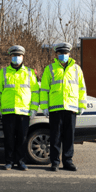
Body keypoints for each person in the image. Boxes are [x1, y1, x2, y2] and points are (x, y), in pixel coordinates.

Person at [40, 42, 87, 172]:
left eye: (65, 53)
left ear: (69, 54)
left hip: (71, 109)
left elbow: (82, 89)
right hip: (55, 109)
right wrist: (44, 106)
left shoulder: (76, 69)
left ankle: (67, 161)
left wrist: (81, 105)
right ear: (57, 54)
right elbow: (44, 89)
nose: (63, 55)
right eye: (61, 53)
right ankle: (54, 162)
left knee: (69, 137)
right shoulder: (50, 69)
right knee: (55, 137)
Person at [0, 45, 39, 171]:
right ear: (10, 57)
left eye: (18, 55)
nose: (16, 58)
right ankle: (9, 162)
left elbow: (35, 93)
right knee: (8, 139)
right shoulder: (4, 72)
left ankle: (20, 161)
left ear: (23, 57)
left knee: (22, 139)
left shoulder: (29, 72)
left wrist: (34, 108)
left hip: (24, 112)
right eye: (14, 55)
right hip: (8, 112)